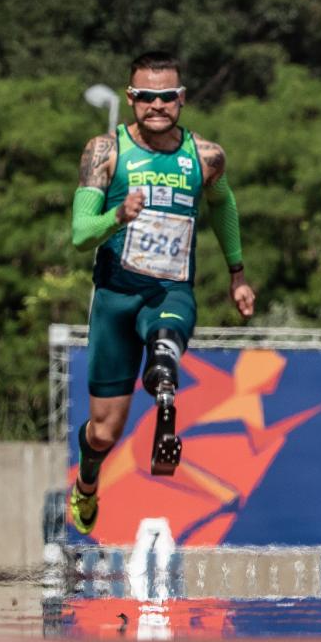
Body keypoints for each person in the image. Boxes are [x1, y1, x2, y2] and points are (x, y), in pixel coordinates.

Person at [68, 51, 255, 535]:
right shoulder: (104, 152)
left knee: (168, 333)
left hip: (169, 292)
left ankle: (164, 375)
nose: (157, 105)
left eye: (166, 96)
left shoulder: (205, 156)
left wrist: (237, 273)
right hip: (114, 298)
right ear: (130, 99)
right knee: (104, 431)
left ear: (182, 99)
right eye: (146, 96)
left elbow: (223, 205)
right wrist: (116, 217)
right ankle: (87, 483)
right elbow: (79, 232)